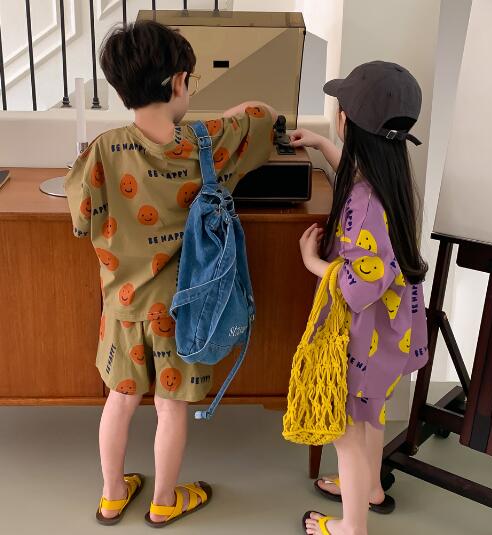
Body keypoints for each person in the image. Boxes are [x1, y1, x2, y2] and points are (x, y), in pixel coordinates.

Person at [64, 20, 277, 527]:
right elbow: (262, 116)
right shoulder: (208, 142)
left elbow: (80, 220)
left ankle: (112, 494)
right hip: (185, 312)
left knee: (119, 400)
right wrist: (226, 113)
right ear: (179, 82)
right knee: (170, 407)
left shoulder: (102, 150)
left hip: (123, 308)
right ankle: (164, 501)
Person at [291, 61, 429, 535]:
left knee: (346, 432)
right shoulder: (389, 181)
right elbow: (354, 179)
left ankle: (353, 526)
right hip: (391, 335)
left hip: (363, 338)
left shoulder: (364, 203)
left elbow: (358, 285)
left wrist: (312, 261)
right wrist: (322, 145)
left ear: (346, 120)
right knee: (372, 412)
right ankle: (370, 488)